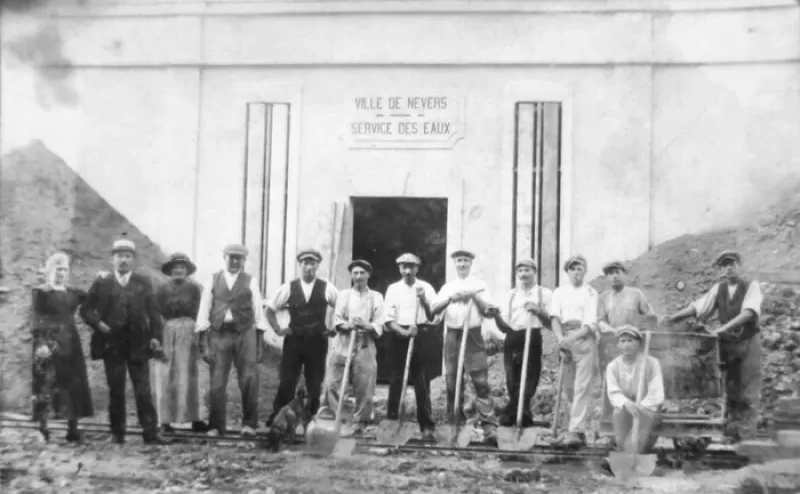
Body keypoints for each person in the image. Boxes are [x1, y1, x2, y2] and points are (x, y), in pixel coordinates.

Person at [665, 250, 763, 443]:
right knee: (731, 390)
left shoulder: (752, 286)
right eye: (725, 265)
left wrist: (722, 329)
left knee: (749, 392)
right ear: (721, 269)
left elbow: (749, 313)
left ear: (740, 266)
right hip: (728, 346)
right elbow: (699, 306)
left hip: (748, 344)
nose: (729, 268)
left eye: (732, 263)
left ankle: (747, 440)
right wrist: (673, 317)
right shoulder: (719, 289)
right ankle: (732, 435)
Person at [80, 236, 167, 445]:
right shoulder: (103, 283)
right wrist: (99, 324)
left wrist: (155, 336)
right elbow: (85, 310)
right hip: (112, 345)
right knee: (116, 390)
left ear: (133, 260)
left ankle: (150, 434)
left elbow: (154, 313)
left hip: (138, 344)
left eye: (127, 256)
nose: (123, 260)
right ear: (113, 259)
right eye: (119, 256)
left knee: (143, 390)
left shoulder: (143, 283)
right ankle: (117, 434)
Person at [195, 244, 268, 437]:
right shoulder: (213, 280)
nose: (235, 261)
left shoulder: (250, 281)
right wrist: (204, 343)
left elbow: (258, 313)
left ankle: (249, 424)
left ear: (244, 261)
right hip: (219, 334)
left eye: (239, 258)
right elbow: (204, 311)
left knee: (249, 380)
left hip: (245, 334)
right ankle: (216, 426)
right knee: (217, 382)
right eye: (231, 257)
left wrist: (259, 345)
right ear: (224, 257)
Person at [431, 249, 499, 446]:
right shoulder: (448, 287)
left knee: (480, 380)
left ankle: (489, 425)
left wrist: (473, 297)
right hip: (452, 335)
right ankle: (455, 423)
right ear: (454, 263)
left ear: (471, 263)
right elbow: (434, 311)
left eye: (465, 260)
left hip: (473, 335)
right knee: (452, 381)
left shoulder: (479, 285)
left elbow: (489, 311)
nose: (462, 264)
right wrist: (450, 299)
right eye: (459, 261)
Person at [265, 248, 338, 427]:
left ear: (317, 265)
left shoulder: (327, 287)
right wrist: (278, 330)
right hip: (295, 341)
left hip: (317, 341)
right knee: (287, 380)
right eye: (305, 263)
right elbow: (269, 310)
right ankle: (279, 418)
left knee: (315, 382)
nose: (308, 267)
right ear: (300, 265)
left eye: (312, 263)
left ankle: (311, 420)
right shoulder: (289, 287)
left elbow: (342, 308)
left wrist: (334, 328)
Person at [317, 259, 385, 436]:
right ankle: (338, 420)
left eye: (362, 273)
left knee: (365, 387)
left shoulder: (376, 297)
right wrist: (348, 325)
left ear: (368, 275)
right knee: (332, 383)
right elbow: (337, 319)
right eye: (355, 273)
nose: (358, 276)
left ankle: (359, 423)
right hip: (343, 344)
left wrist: (364, 325)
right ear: (351, 276)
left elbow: (379, 324)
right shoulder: (343, 295)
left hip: (364, 345)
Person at [31, 252, 94, 443]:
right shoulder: (41, 292)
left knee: (73, 383)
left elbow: (93, 298)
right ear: (51, 270)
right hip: (49, 342)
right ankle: (43, 428)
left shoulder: (73, 293)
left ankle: (72, 429)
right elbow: (36, 318)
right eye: (58, 269)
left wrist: (101, 280)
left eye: (65, 269)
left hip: (70, 341)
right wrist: (41, 344)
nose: (61, 273)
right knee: (46, 383)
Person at [596, 260, 657, 447]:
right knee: (611, 386)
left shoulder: (636, 294)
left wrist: (639, 330)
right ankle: (609, 432)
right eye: (610, 273)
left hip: (632, 344)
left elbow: (651, 316)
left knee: (634, 383)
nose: (614, 276)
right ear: (606, 278)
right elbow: (599, 321)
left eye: (617, 272)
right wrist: (612, 331)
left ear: (625, 274)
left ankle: (637, 426)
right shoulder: (603, 297)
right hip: (611, 345)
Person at [384, 253, 438, 441]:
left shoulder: (427, 288)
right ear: (399, 269)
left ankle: (427, 427)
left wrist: (424, 300)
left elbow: (434, 317)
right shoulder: (393, 289)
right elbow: (388, 320)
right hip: (400, 336)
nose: (407, 271)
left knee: (422, 383)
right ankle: (392, 422)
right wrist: (404, 332)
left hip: (421, 335)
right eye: (403, 267)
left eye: (411, 267)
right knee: (396, 381)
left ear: (417, 268)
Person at [492, 258, 552, 427]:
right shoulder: (510, 295)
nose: (523, 274)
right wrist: (496, 315)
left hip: (532, 336)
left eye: (527, 270)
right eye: (520, 271)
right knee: (512, 380)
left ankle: (509, 413)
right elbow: (504, 327)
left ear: (535, 272)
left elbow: (550, 323)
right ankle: (522, 416)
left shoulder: (544, 294)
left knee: (530, 379)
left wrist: (539, 310)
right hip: (513, 337)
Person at [549, 255, 599, 448]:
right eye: (572, 269)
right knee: (569, 389)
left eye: (579, 268)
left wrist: (568, 339)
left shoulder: (591, 292)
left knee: (581, 387)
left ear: (585, 271)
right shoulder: (559, 292)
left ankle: (575, 430)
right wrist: (560, 339)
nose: (576, 272)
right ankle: (574, 430)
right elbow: (555, 318)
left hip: (584, 340)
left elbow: (589, 324)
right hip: (565, 338)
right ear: (567, 272)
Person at [155, 252, 206, 433]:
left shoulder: (194, 289)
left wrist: (200, 338)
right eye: (175, 267)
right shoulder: (161, 289)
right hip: (168, 330)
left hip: (190, 331)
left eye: (182, 267)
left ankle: (194, 418)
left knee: (190, 374)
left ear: (187, 270)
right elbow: (156, 312)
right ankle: (166, 421)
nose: (179, 270)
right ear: (170, 270)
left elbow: (201, 313)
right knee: (168, 374)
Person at [606, 325, 664, 453]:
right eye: (623, 341)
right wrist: (626, 404)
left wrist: (641, 406)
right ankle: (623, 451)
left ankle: (634, 453)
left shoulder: (651, 363)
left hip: (648, 406)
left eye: (630, 341)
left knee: (645, 417)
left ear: (638, 344)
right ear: (618, 345)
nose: (627, 345)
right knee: (618, 414)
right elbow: (613, 391)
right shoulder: (613, 366)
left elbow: (656, 391)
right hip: (626, 406)